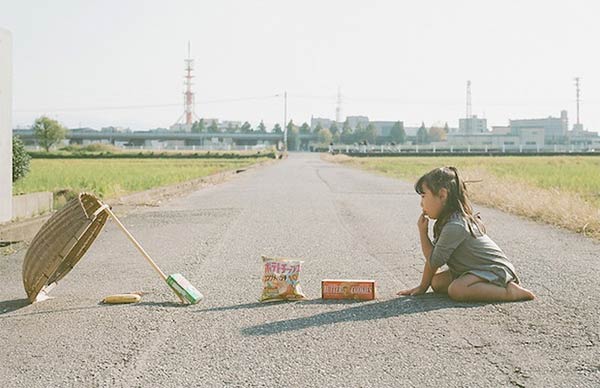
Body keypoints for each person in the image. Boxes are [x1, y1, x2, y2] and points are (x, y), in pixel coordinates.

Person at [397, 166, 535, 302]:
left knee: (457, 290)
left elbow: (434, 261)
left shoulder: (455, 225)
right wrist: (423, 287)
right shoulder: (447, 221)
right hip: (472, 270)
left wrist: (423, 233)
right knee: (437, 282)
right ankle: (477, 285)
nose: (421, 204)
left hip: (493, 270)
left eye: (423, 196)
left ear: (442, 195)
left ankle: (510, 292)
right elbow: (434, 257)